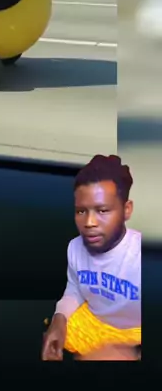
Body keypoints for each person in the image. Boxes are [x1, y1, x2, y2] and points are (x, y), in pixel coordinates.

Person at [41, 154, 141, 361]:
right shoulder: (75, 247)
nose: (89, 222)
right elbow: (75, 289)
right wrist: (59, 321)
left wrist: (132, 353)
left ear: (126, 210)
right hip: (93, 323)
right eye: (81, 211)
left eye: (102, 210)